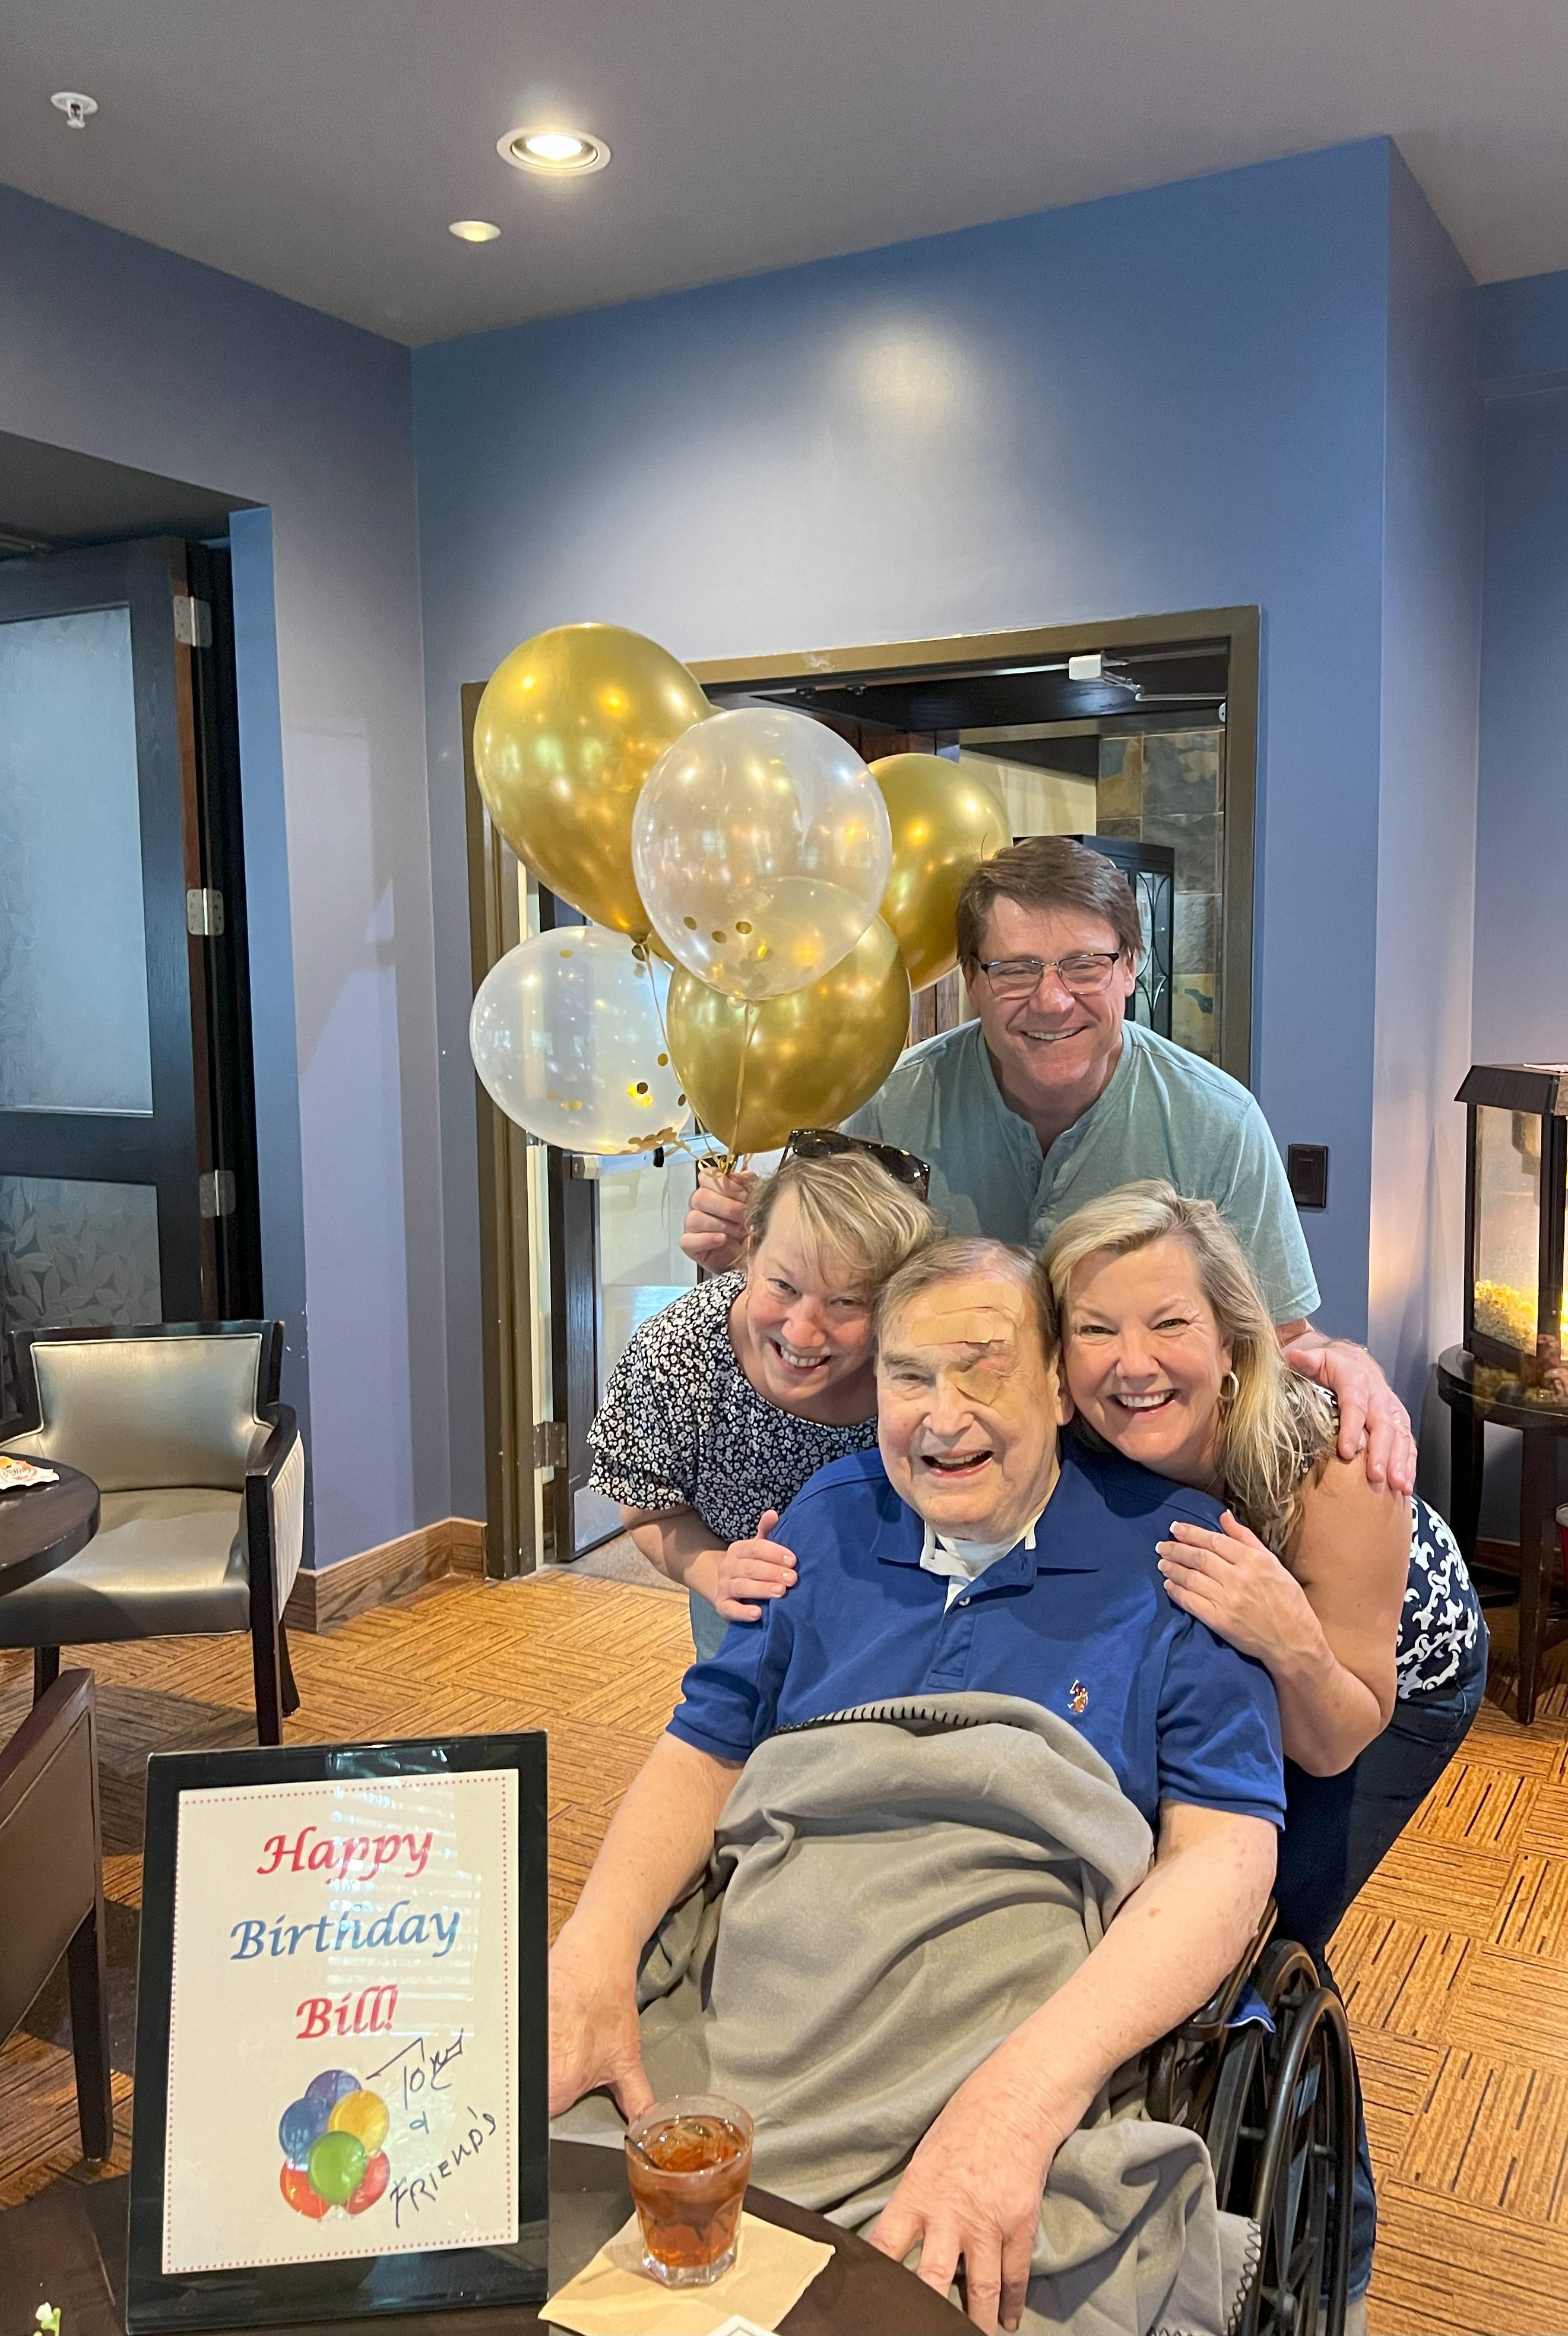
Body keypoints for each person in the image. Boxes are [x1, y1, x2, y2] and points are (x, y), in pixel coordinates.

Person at [550, 1237, 1283, 2335]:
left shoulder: (1176, 1556)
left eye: (983, 1370)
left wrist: (1025, 2097)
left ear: (1057, 1386)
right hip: (761, 2017)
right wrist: (595, 1949)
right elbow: (703, 1749)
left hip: (995, 2030)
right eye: (909, 1376)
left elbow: (1225, 1851)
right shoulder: (825, 1521)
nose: (943, 1417)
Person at [1043, 1180, 1487, 2319]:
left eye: (1168, 1323)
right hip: (1222, 1660)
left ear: (1232, 1338)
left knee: (1264, 1938)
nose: (1130, 1362)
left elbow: (1337, 1732)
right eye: (1093, 1328)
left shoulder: (1327, 1457)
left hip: (1380, 1683)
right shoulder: (1072, 1432)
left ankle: (1329, 2254)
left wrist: (1285, 1635)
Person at [682, 834, 1417, 1494]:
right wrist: (744, 1257)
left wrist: (1345, 1360)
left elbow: (1279, 1340)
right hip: (944, 1470)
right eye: (1015, 969)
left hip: (1142, 1483)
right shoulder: (892, 1104)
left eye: (1085, 965)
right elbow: (829, 1296)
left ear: (1132, 968)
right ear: (971, 979)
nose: (1053, 999)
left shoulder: (1219, 1123)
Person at [587, 1148, 938, 1659]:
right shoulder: (678, 1355)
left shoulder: (922, 1365)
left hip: (898, 1624)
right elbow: (651, 1513)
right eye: (783, 1286)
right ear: (751, 1252)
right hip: (745, 1625)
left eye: (847, 1301)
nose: (802, 1332)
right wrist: (717, 1571)